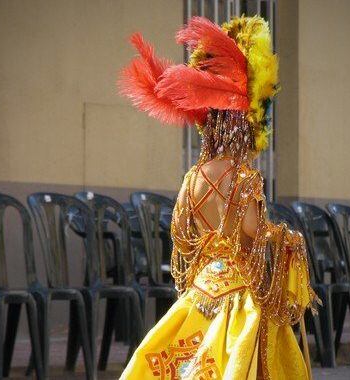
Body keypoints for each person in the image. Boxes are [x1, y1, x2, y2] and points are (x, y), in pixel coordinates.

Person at [118, 15, 318, 379]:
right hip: (239, 299)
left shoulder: (193, 177)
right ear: (243, 126)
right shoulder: (245, 179)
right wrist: (289, 239)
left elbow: (182, 233)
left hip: (199, 292)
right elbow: (254, 234)